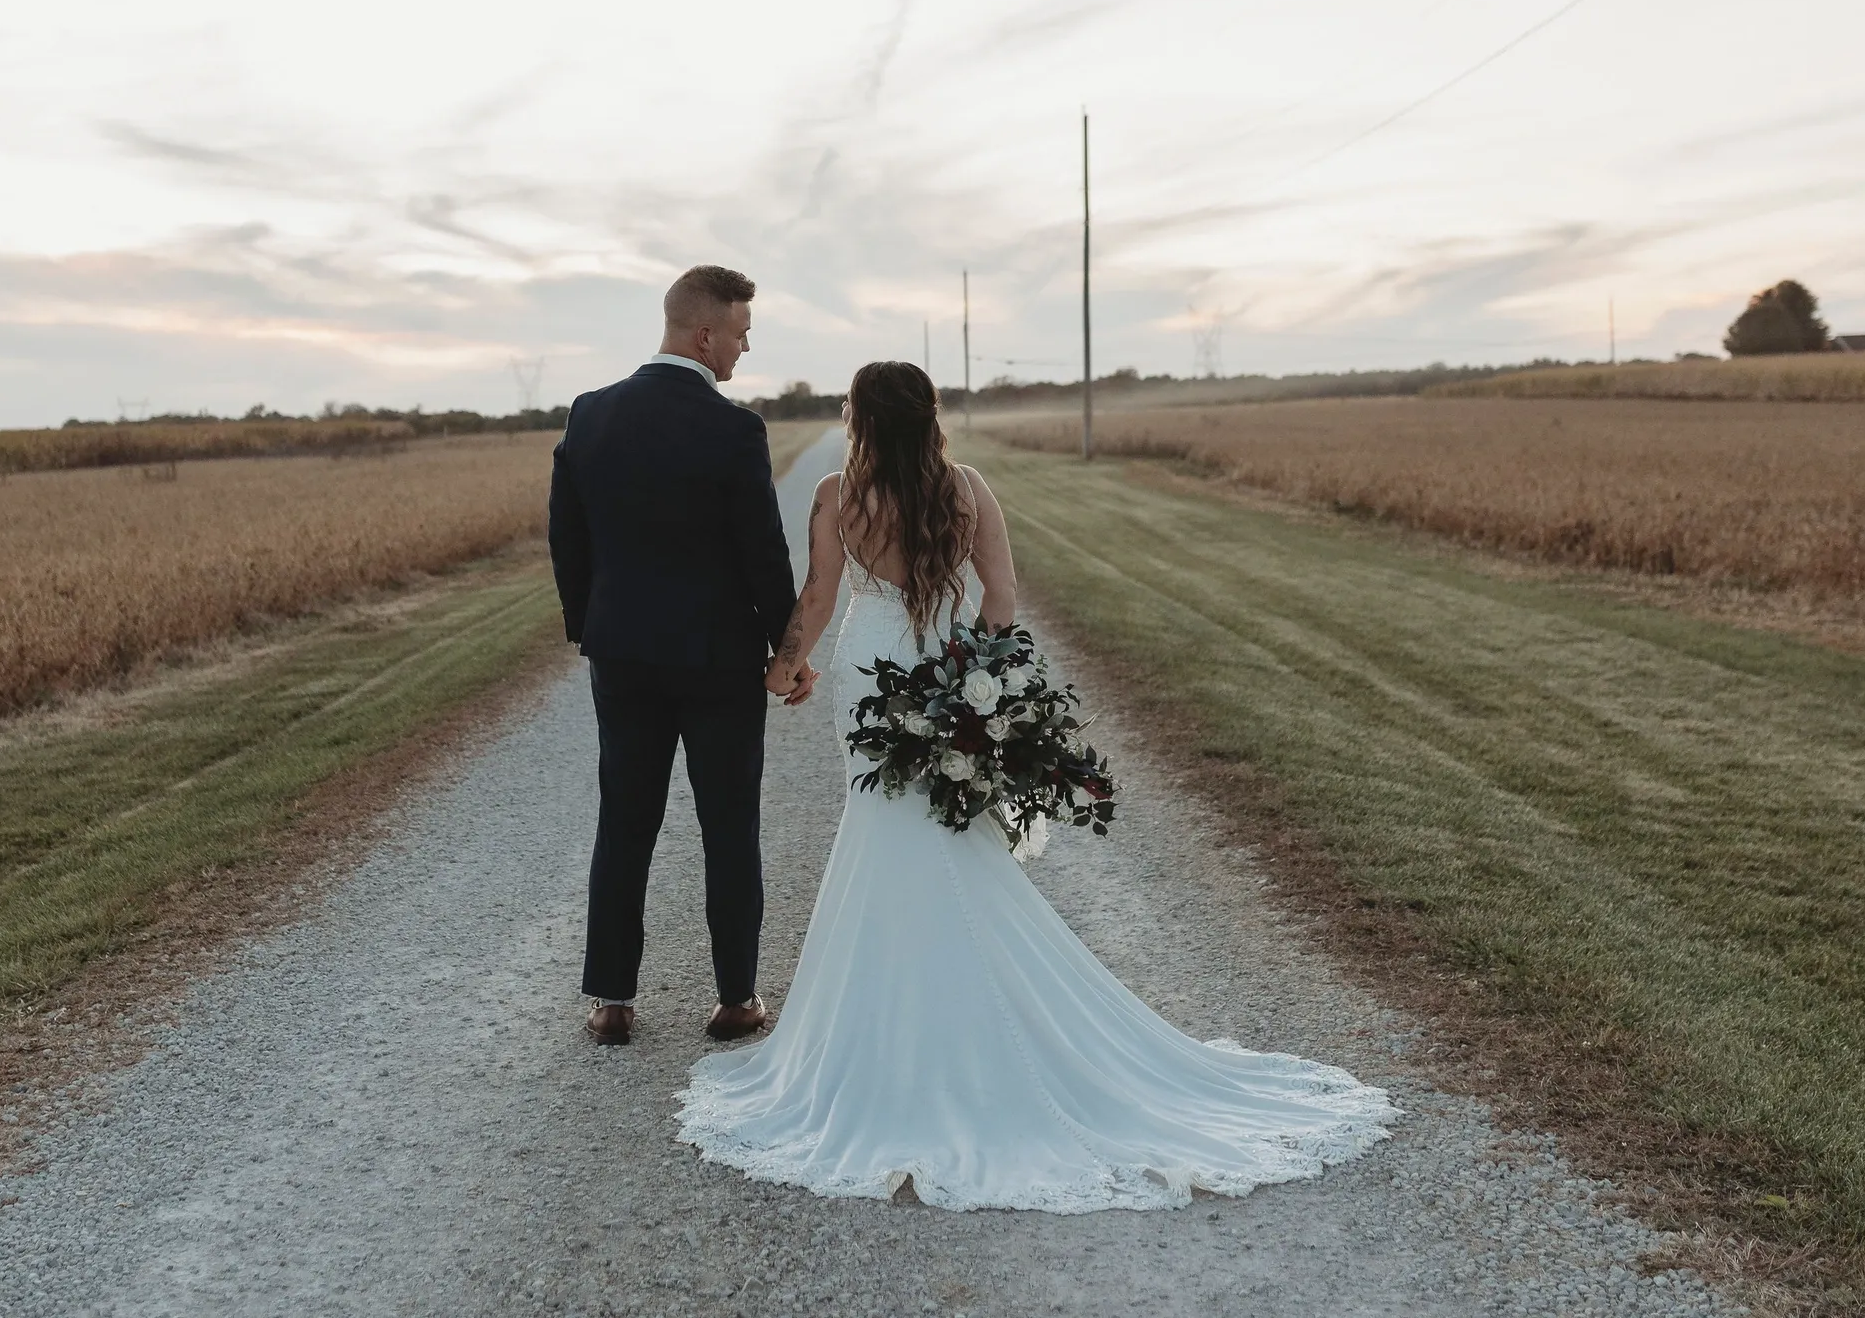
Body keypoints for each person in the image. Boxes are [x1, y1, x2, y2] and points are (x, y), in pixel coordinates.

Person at [674, 360, 1398, 1210]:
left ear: (860, 418)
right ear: (929, 415)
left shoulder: (838, 494)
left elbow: (822, 593)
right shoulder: (965, 487)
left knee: (880, 830)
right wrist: (966, 680)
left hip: (870, 674)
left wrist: (785, 663)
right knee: (951, 833)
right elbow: (1002, 600)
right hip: (945, 671)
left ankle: (900, 1038)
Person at [548, 265, 801, 1047]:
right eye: (740, 332)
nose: (745, 347)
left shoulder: (590, 415)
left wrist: (590, 627)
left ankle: (613, 1002)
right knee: (729, 824)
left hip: (622, 655)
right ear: (704, 334)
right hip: (720, 660)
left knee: (625, 820)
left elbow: (566, 535)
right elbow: (763, 553)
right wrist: (786, 648)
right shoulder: (735, 429)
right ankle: (735, 999)